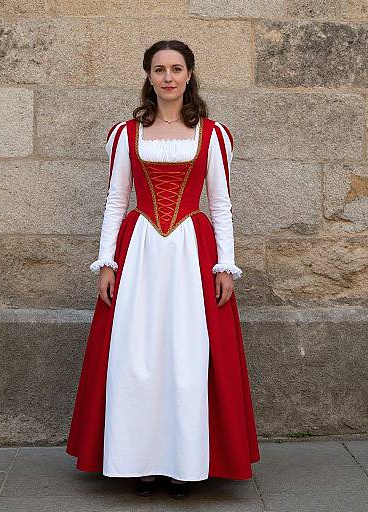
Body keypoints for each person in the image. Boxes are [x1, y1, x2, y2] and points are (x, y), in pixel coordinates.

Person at [66, 39, 260, 499]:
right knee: (138, 356)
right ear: (149, 76)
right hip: (142, 254)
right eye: (159, 69)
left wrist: (225, 266)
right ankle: (141, 460)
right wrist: (107, 261)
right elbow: (116, 201)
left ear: (189, 74)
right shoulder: (126, 134)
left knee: (187, 355)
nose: (168, 77)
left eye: (176, 69)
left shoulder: (213, 135)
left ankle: (183, 461)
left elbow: (221, 205)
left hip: (192, 253)